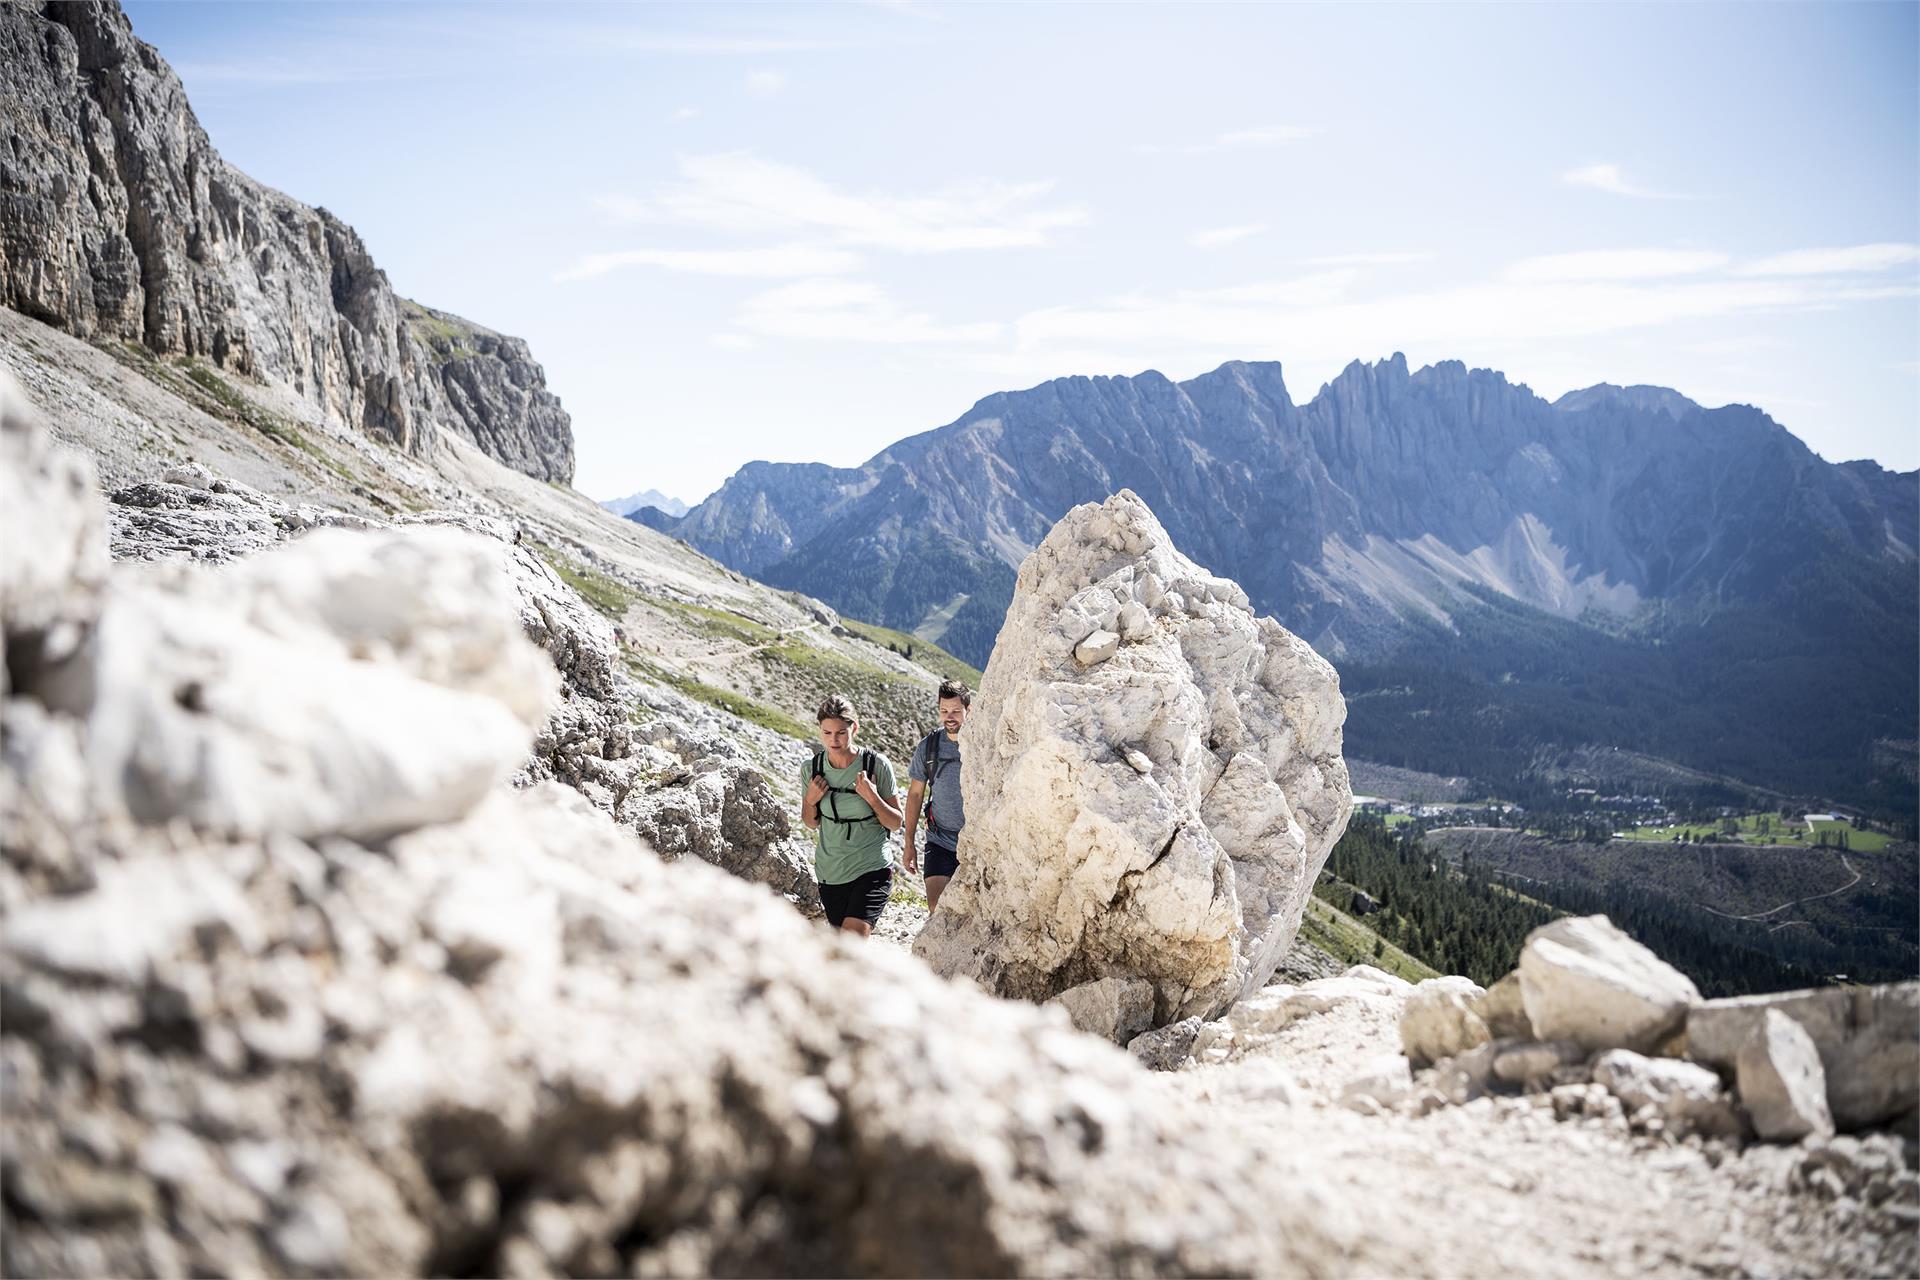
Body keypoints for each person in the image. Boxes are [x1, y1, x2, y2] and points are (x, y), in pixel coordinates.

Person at [799, 694, 903, 939]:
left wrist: (872, 796)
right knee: (842, 951)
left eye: (841, 733)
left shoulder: (876, 765)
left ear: (854, 728)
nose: (834, 740)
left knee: (851, 941)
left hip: (872, 866)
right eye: (827, 733)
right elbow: (810, 822)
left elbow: (895, 822)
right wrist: (811, 799)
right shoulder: (811, 769)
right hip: (831, 872)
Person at [903, 679, 969, 913]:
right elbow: (915, 795)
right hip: (939, 839)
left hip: (976, 843)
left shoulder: (982, 744)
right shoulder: (928, 747)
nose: (949, 717)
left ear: (968, 710)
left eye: (956, 711)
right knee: (937, 906)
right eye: (944, 711)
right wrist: (909, 843)